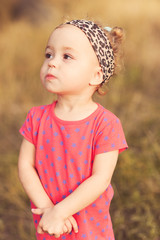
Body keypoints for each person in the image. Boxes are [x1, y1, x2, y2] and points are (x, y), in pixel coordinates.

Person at [18, 19, 128, 240]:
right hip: (50, 224)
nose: (52, 63)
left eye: (66, 56)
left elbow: (100, 179)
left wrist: (61, 211)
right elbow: (25, 165)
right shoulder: (37, 117)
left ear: (96, 75)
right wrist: (48, 209)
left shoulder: (106, 124)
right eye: (49, 54)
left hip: (89, 229)